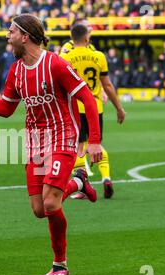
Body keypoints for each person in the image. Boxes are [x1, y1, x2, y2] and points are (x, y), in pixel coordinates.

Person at [0, 14, 103, 275]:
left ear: (24, 36)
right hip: (35, 144)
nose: (6, 36)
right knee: (39, 210)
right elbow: (6, 108)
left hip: (62, 137)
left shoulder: (55, 64)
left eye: (10, 31)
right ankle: (79, 183)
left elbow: (87, 99)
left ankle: (60, 264)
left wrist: (93, 141)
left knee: (49, 203)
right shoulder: (16, 70)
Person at [60, 24, 126, 199]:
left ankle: (82, 185)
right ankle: (106, 177)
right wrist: (119, 107)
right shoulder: (98, 56)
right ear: (87, 38)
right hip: (96, 108)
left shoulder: (66, 57)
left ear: (71, 38)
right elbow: (108, 85)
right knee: (95, 144)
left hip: (75, 108)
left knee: (78, 148)